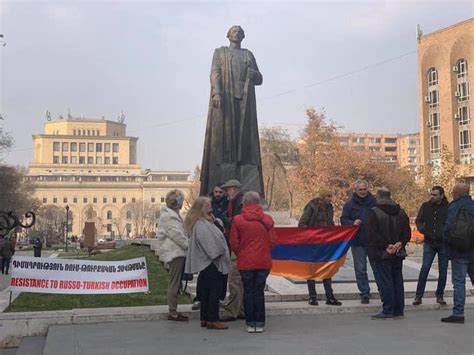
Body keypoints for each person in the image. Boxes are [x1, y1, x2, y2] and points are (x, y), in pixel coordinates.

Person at [200, 25, 265, 197]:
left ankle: (243, 164)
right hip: (226, 100)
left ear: (243, 36)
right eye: (234, 30)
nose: (237, 32)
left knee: (245, 140)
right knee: (224, 138)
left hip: (244, 102)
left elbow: (260, 78)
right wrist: (217, 92)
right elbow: (215, 73)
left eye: (239, 31)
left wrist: (254, 75)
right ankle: (226, 164)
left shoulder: (248, 54)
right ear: (228, 35)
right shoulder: (220, 52)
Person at [230, 191, 275, 333]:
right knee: (259, 292)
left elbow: (233, 242)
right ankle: (260, 323)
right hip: (263, 262)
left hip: (245, 263)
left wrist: (241, 253)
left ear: (244, 203)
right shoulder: (267, 220)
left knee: (248, 292)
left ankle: (250, 323)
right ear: (258, 202)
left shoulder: (237, 220)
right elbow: (273, 241)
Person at [185, 197, 232, 330]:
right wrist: (220, 251)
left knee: (206, 291)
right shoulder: (201, 225)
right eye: (208, 205)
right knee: (213, 291)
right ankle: (212, 318)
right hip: (211, 263)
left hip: (209, 263)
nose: (211, 207)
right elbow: (210, 245)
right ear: (202, 208)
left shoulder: (206, 222)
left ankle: (205, 317)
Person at [367, 188, 411, 319]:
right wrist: (400, 243)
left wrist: (386, 246)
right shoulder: (401, 212)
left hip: (382, 252)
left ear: (378, 196)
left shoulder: (374, 212)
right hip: (398, 252)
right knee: (397, 280)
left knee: (386, 281)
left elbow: (372, 234)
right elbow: (407, 233)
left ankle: (388, 310)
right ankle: (399, 310)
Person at [298, 190, 342, 306]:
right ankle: (312, 297)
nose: (330, 199)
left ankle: (330, 296)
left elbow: (330, 223)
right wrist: (315, 234)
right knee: (311, 270)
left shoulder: (330, 207)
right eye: (328, 196)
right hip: (312, 243)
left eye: (330, 196)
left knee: (327, 269)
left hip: (325, 243)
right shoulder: (312, 206)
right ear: (322, 197)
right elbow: (302, 223)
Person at [192, 182, 230, 311]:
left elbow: (221, 230)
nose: (218, 194)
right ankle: (210, 316)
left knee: (219, 281)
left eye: (220, 192)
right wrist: (217, 252)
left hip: (219, 252)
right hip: (211, 257)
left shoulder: (225, 207)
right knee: (210, 285)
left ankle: (211, 310)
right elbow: (208, 241)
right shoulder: (201, 224)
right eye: (216, 192)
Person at [441, 183, 474, 324]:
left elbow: (448, 228)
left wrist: (448, 245)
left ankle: (458, 313)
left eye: (453, 192)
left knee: (459, 283)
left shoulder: (454, 206)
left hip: (459, 251)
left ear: (457, 193)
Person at [341, 179, 378, 304]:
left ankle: (383, 291)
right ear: (356, 190)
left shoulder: (375, 202)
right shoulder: (350, 204)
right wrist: (352, 223)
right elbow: (343, 219)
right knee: (360, 269)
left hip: (374, 241)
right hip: (358, 241)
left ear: (368, 189)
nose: (362, 192)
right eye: (360, 190)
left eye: (364, 189)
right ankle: (364, 293)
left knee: (377, 268)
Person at [156, 189, 189, 322]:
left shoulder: (174, 216)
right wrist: (189, 246)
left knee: (176, 282)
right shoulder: (168, 217)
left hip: (178, 252)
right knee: (174, 282)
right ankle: (173, 312)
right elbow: (178, 235)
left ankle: (174, 310)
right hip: (175, 253)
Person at [413, 186, 449, 306]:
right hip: (429, 241)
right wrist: (423, 229)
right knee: (425, 268)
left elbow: (451, 223)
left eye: (435, 195)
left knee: (443, 271)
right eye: (431, 194)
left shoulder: (448, 207)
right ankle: (418, 296)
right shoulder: (426, 206)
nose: (432, 197)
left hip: (443, 243)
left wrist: (444, 232)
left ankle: (440, 295)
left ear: (441, 195)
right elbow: (419, 220)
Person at [219, 179, 246, 321]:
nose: (226, 192)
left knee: (235, 279)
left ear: (234, 189)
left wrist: (226, 220)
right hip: (237, 245)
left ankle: (232, 310)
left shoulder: (240, 203)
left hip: (238, 246)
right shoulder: (234, 202)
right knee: (238, 280)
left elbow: (239, 223)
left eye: (227, 189)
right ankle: (240, 308)